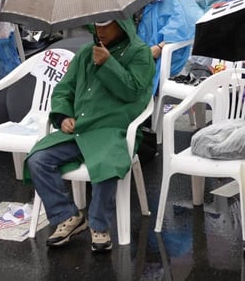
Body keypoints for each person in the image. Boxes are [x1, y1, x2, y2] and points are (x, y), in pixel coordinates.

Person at [25, 18, 154, 252]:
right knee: (37, 159)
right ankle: (67, 216)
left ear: (121, 24)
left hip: (113, 130)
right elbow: (64, 89)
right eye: (96, 24)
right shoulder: (86, 52)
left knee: (106, 165)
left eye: (106, 24)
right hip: (80, 129)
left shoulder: (140, 53)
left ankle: (99, 225)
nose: (99, 30)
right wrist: (63, 115)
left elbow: (134, 92)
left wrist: (108, 64)